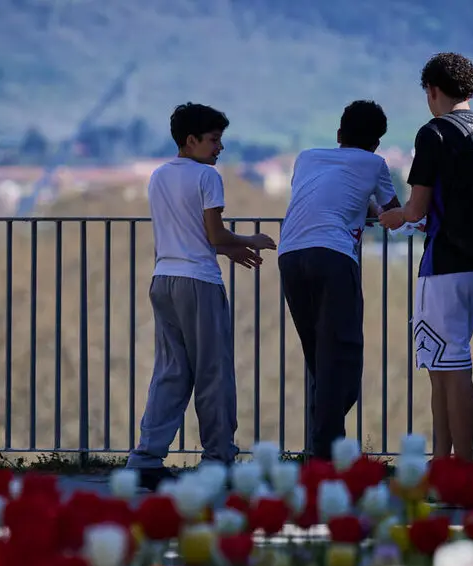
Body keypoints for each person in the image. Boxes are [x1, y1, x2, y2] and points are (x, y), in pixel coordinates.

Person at [379, 53, 473, 459]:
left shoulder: (435, 133)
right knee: (444, 367)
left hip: (444, 267)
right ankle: (443, 464)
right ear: (471, 91)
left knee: (453, 369)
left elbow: (416, 210)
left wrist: (390, 217)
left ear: (432, 90)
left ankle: (460, 468)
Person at [126, 103, 277, 487]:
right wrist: (251, 240)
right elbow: (213, 235)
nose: (219, 148)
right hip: (199, 283)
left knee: (172, 372)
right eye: (213, 140)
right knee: (213, 373)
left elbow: (190, 234)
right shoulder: (207, 178)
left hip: (164, 279)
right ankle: (218, 459)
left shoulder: (158, 176)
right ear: (190, 140)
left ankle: (146, 457)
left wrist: (227, 248)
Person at [278, 100, 400, 459]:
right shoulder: (375, 163)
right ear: (377, 143)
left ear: (338, 134)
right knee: (342, 355)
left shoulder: (307, 158)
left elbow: (325, 196)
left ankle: (322, 448)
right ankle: (327, 454)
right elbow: (392, 212)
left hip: (291, 254)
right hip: (333, 256)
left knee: (318, 356)